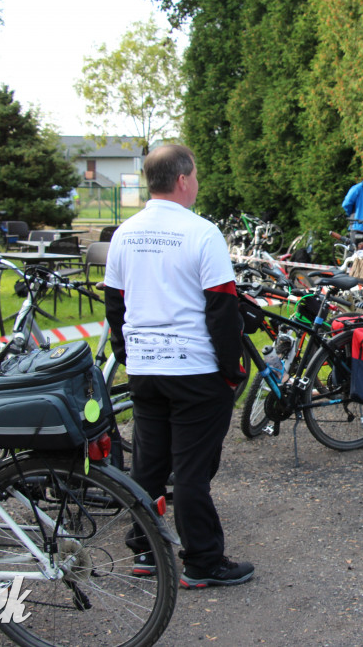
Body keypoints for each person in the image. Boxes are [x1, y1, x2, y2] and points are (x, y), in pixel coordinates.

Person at [104, 144, 254, 588]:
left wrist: (131, 357)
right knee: (191, 470)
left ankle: (146, 549)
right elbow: (223, 309)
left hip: (146, 368)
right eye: (197, 177)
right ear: (184, 178)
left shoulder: (124, 233)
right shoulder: (202, 233)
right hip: (194, 368)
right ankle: (202, 561)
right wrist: (232, 372)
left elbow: (116, 304)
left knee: (149, 464)